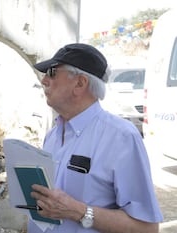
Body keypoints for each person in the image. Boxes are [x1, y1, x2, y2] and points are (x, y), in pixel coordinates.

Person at [28, 43, 163, 232]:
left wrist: (79, 212)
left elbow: (147, 228)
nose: (44, 80)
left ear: (80, 83)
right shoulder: (52, 135)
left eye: (52, 72)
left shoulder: (121, 137)